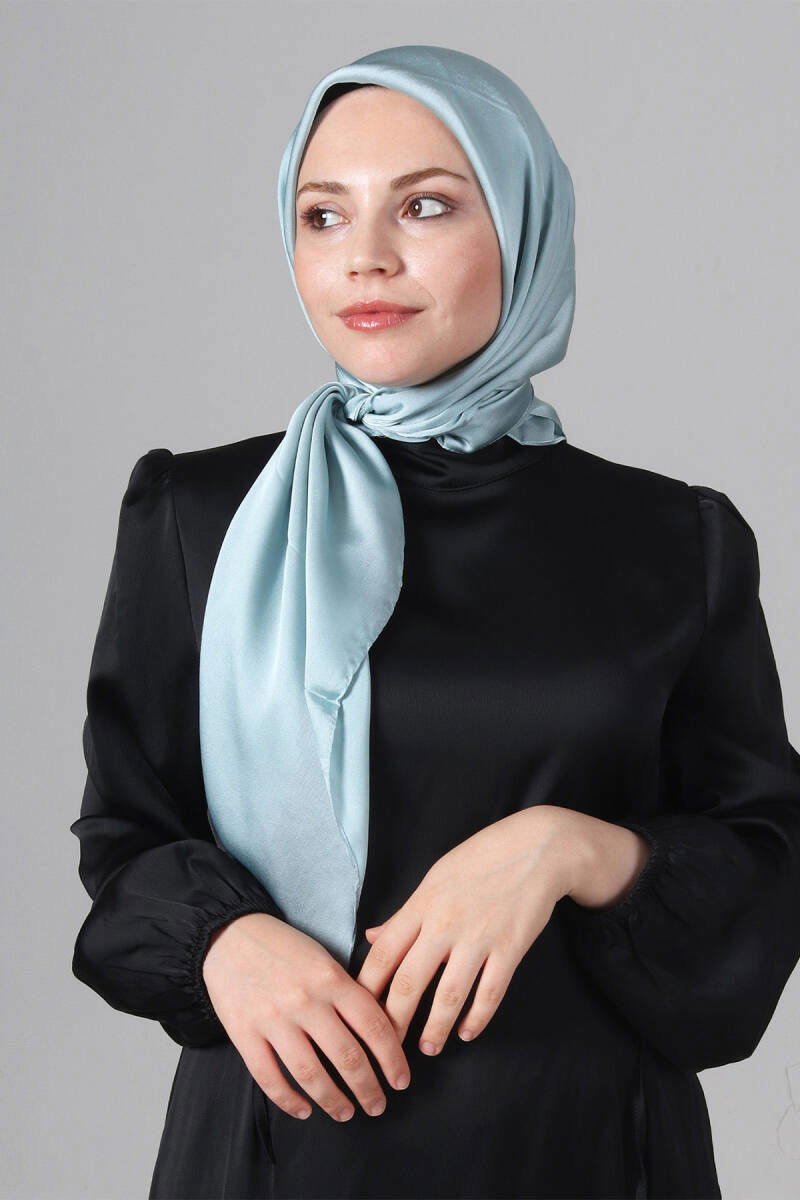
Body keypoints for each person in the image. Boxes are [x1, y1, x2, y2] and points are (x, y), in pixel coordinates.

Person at [69, 45, 800, 1200]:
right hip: (277, 1156)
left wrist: (566, 848)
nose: (363, 255)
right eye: (322, 214)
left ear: (521, 222)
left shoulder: (675, 539)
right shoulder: (196, 516)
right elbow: (125, 834)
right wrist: (222, 940)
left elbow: (763, 872)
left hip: (583, 1154)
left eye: (423, 205)